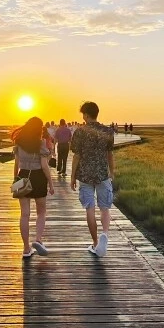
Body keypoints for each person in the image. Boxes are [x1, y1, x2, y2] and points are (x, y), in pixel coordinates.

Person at [70, 101, 114, 258]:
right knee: (105, 208)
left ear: (86, 115)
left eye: (83, 114)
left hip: (85, 176)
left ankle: (95, 244)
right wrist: (112, 172)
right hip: (103, 174)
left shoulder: (80, 132)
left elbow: (76, 156)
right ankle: (105, 235)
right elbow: (109, 154)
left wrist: (72, 176)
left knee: (90, 208)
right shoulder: (108, 131)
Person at [12, 117, 55, 258]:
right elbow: (44, 166)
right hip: (38, 178)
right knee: (41, 212)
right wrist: (51, 182)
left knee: (24, 214)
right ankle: (38, 240)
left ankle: (26, 249)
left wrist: (15, 179)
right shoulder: (41, 144)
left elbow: (16, 164)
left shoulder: (18, 143)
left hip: (22, 177)